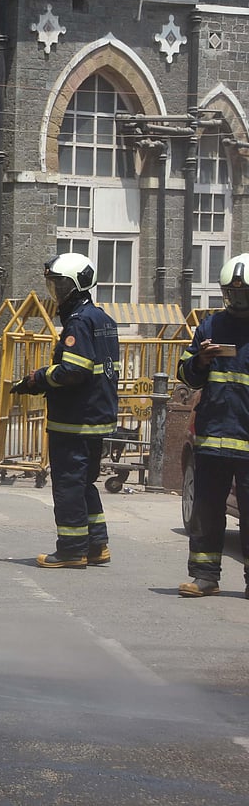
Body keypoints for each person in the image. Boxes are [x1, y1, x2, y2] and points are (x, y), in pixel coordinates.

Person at [12, 252, 120, 569]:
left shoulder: (79, 322)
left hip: (75, 420)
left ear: (76, 286)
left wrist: (37, 378)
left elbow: (73, 371)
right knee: (84, 483)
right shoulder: (102, 319)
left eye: (60, 285)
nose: (56, 292)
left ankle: (72, 549)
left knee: (69, 485)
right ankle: (97, 544)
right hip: (96, 417)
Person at [175, 252, 249, 599]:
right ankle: (205, 575)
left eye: (244, 293)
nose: (237, 300)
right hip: (213, 437)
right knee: (206, 511)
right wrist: (200, 360)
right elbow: (185, 374)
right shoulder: (209, 327)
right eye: (232, 294)